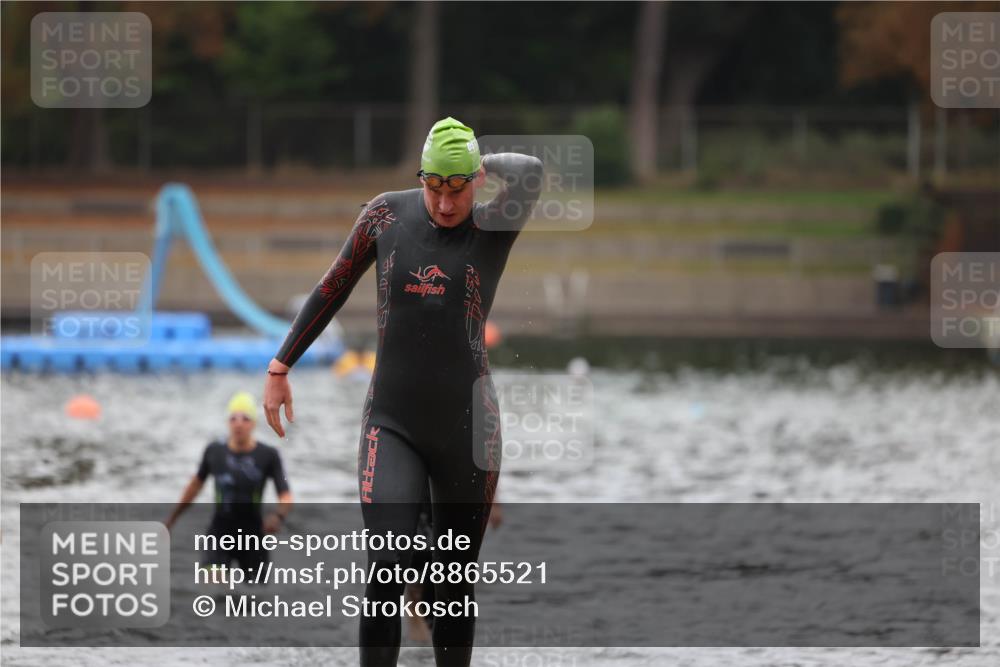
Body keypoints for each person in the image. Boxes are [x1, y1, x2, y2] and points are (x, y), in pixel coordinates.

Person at [263, 116, 543, 666]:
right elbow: (333, 284)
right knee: (387, 570)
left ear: (476, 180)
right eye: (433, 186)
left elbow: (531, 173)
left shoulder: (494, 226)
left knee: (453, 586)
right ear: (421, 177)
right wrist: (280, 366)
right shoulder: (385, 214)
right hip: (392, 422)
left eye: (456, 188)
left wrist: (481, 161)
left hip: (468, 427)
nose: (443, 203)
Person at [166, 391, 293, 577]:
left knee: (255, 599)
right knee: (213, 586)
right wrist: (172, 519)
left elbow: (286, 496)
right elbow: (194, 487)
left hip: (254, 535)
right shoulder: (214, 451)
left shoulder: (268, 455)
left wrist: (278, 516)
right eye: (233, 418)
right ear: (227, 422)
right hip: (220, 532)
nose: (238, 423)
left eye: (245, 418)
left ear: (254, 424)